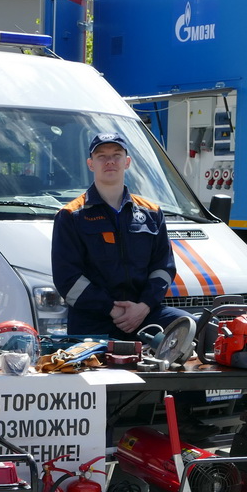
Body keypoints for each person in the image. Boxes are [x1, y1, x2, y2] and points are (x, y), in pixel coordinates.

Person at [51, 132, 192, 341]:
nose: (110, 161)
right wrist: (112, 309)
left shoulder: (152, 213)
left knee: (194, 328)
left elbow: (164, 268)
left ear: (127, 162)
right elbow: (67, 279)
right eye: (101, 156)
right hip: (93, 321)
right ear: (91, 164)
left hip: (144, 314)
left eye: (116, 155)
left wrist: (144, 306)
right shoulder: (71, 215)